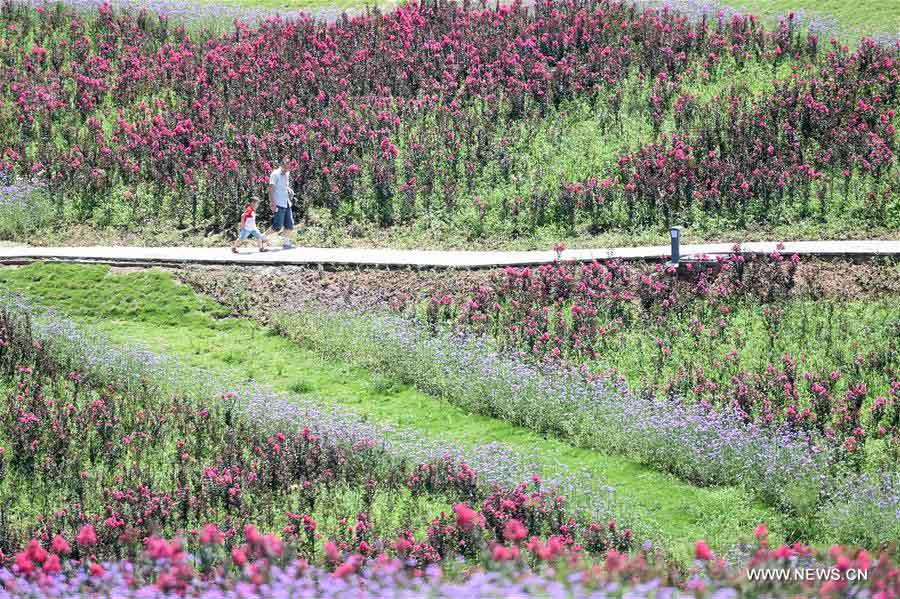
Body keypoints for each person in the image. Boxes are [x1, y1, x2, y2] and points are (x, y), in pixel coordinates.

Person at [267, 155, 296, 250]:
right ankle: (263, 237)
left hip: (286, 202)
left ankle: (286, 243)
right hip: (278, 203)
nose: (289, 169)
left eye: (290, 167)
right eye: (287, 167)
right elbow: (270, 190)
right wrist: (272, 203)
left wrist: (289, 189)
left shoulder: (287, 174)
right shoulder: (275, 174)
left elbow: (284, 186)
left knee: (290, 224)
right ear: (283, 165)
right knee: (277, 226)